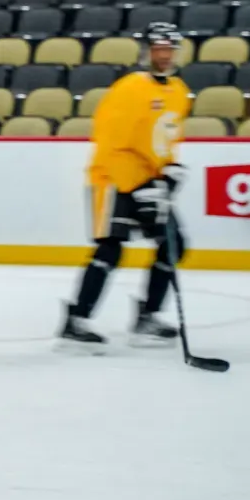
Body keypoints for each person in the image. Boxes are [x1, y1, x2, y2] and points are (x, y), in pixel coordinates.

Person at [59, 21, 191, 351]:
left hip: (150, 182)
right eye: (159, 50)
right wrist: (137, 184)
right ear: (147, 52)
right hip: (112, 179)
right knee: (111, 248)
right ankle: (76, 321)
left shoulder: (178, 91)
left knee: (173, 243)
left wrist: (169, 170)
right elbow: (111, 143)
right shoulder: (129, 89)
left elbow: (165, 138)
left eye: (170, 50)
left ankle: (147, 317)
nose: (165, 56)